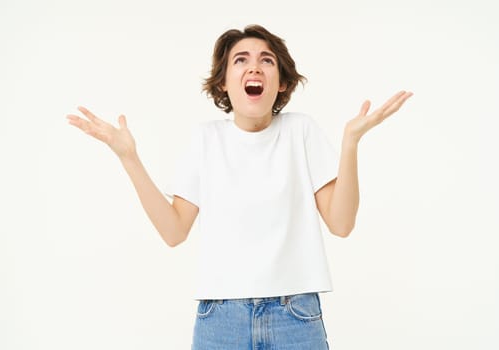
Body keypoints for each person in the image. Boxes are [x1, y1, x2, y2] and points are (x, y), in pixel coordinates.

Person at [67, 24, 412, 350]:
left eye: (266, 60)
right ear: (223, 84)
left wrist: (351, 142)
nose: (254, 68)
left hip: (295, 316)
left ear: (281, 84)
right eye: (240, 60)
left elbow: (341, 223)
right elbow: (174, 231)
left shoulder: (301, 131)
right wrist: (129, 158)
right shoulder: (205, 139)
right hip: (220, 320)